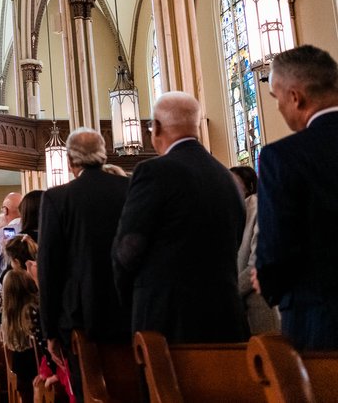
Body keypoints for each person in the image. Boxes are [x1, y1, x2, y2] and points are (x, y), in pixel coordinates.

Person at [113, 92, 247, 343]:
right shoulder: (225, 176)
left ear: (158, 128)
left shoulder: (154, 171)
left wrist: (129, 301)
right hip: (226, 317)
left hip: (169, 321)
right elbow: (236, 237)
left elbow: (128, 247)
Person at [38, 128, 130, 401]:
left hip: (80, 316)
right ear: (104, 155)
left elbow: (49, 269)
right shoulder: (131, 188)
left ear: (69, 161)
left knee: (88, 390)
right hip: (129, 310)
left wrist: (50, 331)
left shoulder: (57, 198)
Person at [257, 45, 338, 349]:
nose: (278, 108)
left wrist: (266, 280)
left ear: (295, 97)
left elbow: (276, 248)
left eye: (276, 98)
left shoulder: (283, 158)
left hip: (321, 322)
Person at [231, 165, 279, 336]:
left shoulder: (258, 207)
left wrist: (229, 291)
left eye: (233, 182)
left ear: (249, 186)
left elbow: (257, 264)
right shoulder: (233, 211)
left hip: (258, 301)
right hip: (237, 305)